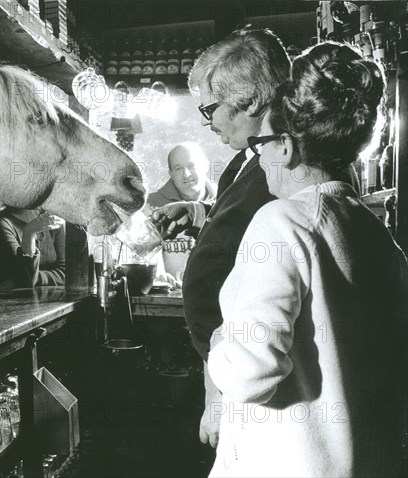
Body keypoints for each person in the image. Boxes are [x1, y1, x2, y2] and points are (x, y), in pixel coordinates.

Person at [207, 42, 407, 477]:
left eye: (261, 144)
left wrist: (219, 345)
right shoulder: (375, 234)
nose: (257, 157)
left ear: (286, 147)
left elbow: (249, 374)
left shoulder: (282, 222)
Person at [151, 28, 289, 448]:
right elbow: (240, 225)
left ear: (249, 100)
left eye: (211, 109)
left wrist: (218, 391)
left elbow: (271, 282)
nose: (208, 123)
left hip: (245, 375)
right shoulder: (244, 161)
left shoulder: (285, 167)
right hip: (221, 360)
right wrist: (198, 214)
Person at [0, 207, 65, 289]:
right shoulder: (1, 223)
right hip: (19, 297)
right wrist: (29, 232)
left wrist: (32, 278)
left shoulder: (51, 218)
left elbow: (67, 273)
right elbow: (22, 279)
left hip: (54, 295)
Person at [147, 142, 216, 208]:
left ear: (205, 166)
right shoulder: (150, 205)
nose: (186, 174)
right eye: (178, 169)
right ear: (171, 174)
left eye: (191, 166)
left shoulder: (223, 200)